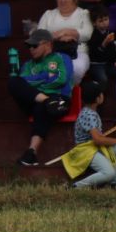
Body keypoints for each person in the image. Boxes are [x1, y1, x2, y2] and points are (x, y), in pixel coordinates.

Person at [10, 27, 73, 166]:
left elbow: (62, 79)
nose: (31, 49)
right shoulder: (28, 64)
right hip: (42, 100)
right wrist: (46, 77)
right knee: (14, 82)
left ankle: (31, 153)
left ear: (48, 44)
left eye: (34, 45)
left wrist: (36, 81)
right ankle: (46, 101)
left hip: (60, 100)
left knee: (41, 109)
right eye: (29, 46)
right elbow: (23, 81)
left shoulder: (62, 58)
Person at [66, 83, 116, 189]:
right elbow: (98, 140)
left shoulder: (90, 112)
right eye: (101, 94)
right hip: (86, 150)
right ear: (97, 98)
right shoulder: (90, 115)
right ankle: (76, 186)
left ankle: (115, 183)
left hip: (95, 148)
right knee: (108, 173)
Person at [40, 0, 94, 83]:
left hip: (78, 52)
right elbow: (39, 37)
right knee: (49, 70)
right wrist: (57, 37)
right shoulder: (48, 14)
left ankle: (69, 93)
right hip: (52, 52)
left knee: (76, 69)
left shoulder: (83, 13)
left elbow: (87, 34)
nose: (62, 0)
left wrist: (67, 32)